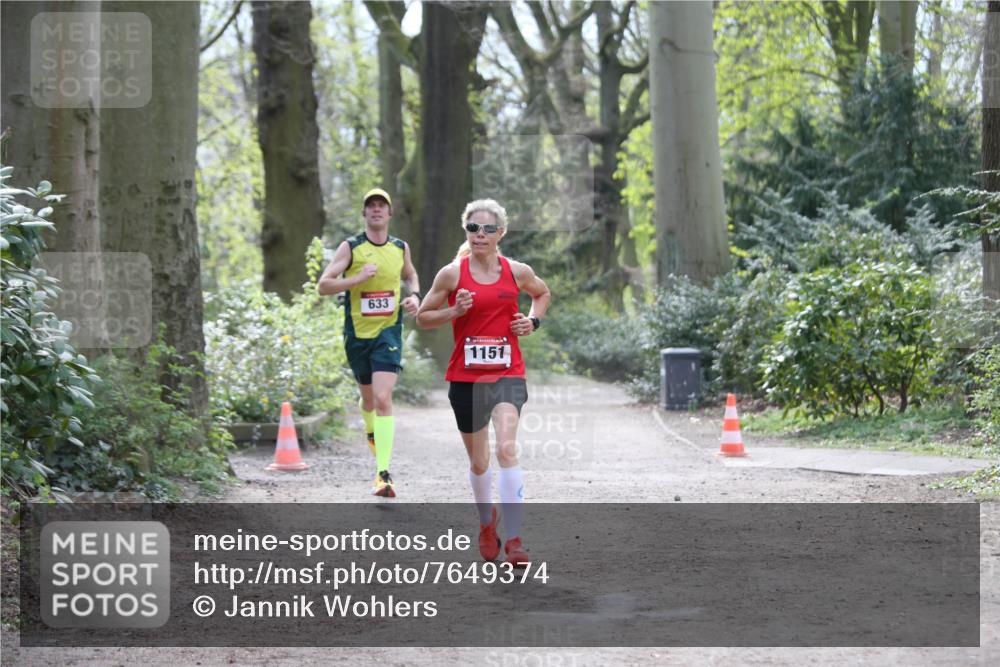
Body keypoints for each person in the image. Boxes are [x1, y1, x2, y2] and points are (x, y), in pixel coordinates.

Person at [416, 199, 550, 566]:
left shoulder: (517, 271)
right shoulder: (451, 274)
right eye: (473, 228)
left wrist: (532, 321)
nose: (480, 235)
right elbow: (423, 319)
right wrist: (454, 311)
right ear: (467, 232)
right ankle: (486, 523)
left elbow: (542, 294)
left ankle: (516, 539)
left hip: (508, 373)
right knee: (480, 462)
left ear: (501, 233)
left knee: (507, 449)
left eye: (488, 229)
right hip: (465, 378)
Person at [318, 188, 420, 498]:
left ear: (389, 214)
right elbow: (324, 286)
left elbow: (411, 274)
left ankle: (383, 474)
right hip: (357, 335)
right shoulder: (350, 247)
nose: (376, 210)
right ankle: (371, 429)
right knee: (369, 401)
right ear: (364, 213)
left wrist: (414, 295)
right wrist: (357, 279)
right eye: (371, 206)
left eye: (382, 206)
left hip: (388, 332)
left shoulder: (400, 247)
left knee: (383, 397)